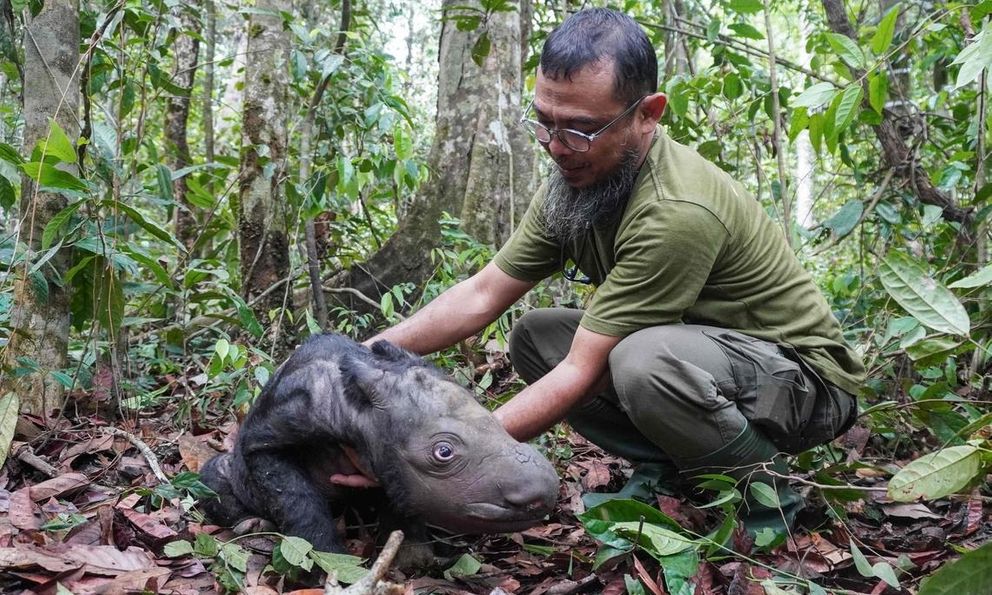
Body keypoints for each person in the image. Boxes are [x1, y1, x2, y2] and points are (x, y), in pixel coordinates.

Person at [332, 7, 865, 534]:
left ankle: (766, 499)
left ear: (648, 113)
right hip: (705, 359)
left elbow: (581, 370)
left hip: (805, 383)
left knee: (641, 360)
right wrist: (350, 362)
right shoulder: (579, 179)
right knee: (536, 336)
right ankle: (673, 469)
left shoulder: (676, 211)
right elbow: (482, 294)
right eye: (545, 122)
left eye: (582, 129)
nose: (557, 147)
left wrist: (438, 460)